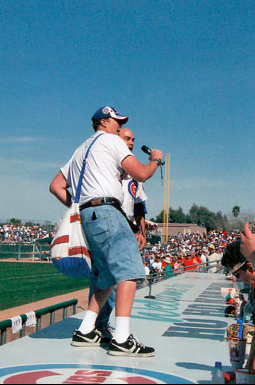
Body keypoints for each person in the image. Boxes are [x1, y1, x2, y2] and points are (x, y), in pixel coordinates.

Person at [49, 105, 163, 357]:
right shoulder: (112, 142)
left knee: (106, 277)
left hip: (87, 215)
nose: (119, 126)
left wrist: (81, 205)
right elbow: (142, 174)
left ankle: (86, 329)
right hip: (108, 211)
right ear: (103, 122)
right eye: (116, 121)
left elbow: (56, 185)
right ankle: (122, 339)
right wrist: (155, 158)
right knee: (130, 271)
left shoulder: (81, 149)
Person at [91, 127, 148, 342]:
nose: (131, 142)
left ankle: (99, 326)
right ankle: (101, 327)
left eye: (133, 139)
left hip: (126, 229)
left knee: (115, 279)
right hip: (107, 225)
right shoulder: (103, 167)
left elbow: (140, 206)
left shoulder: (134, 176)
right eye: (127, 138)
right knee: (105, 278)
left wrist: (142, 233)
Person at [231, 261, 255, 370]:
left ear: (250, 268)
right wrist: (249, 365)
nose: (239, 279)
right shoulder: (254, 287)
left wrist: (251, 371)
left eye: (238, 274)